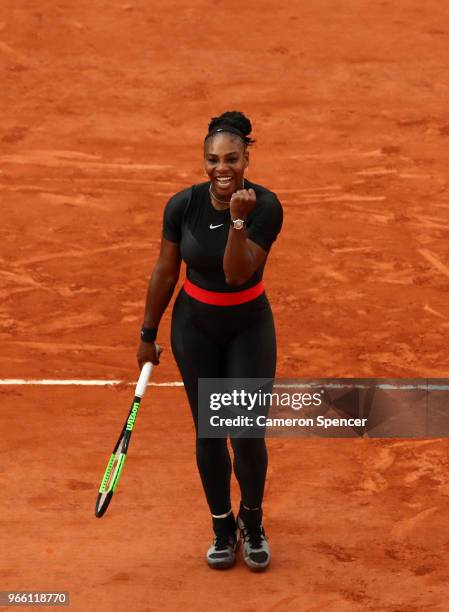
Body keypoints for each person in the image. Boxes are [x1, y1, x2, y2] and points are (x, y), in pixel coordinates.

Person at [137, 111, 283, 571]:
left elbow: (236, 272)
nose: (223, 168)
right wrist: (147, 333)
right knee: (210, 429)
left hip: (248, 327)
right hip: (194, 327)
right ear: (204, 161)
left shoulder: (266, 206)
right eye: (213, 159)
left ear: (246, 158)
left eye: (232, 159)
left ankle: (252, 521)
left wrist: (239, 221)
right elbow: (165, 270)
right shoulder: (182, 206)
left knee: (245, 431)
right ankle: (222, 526)